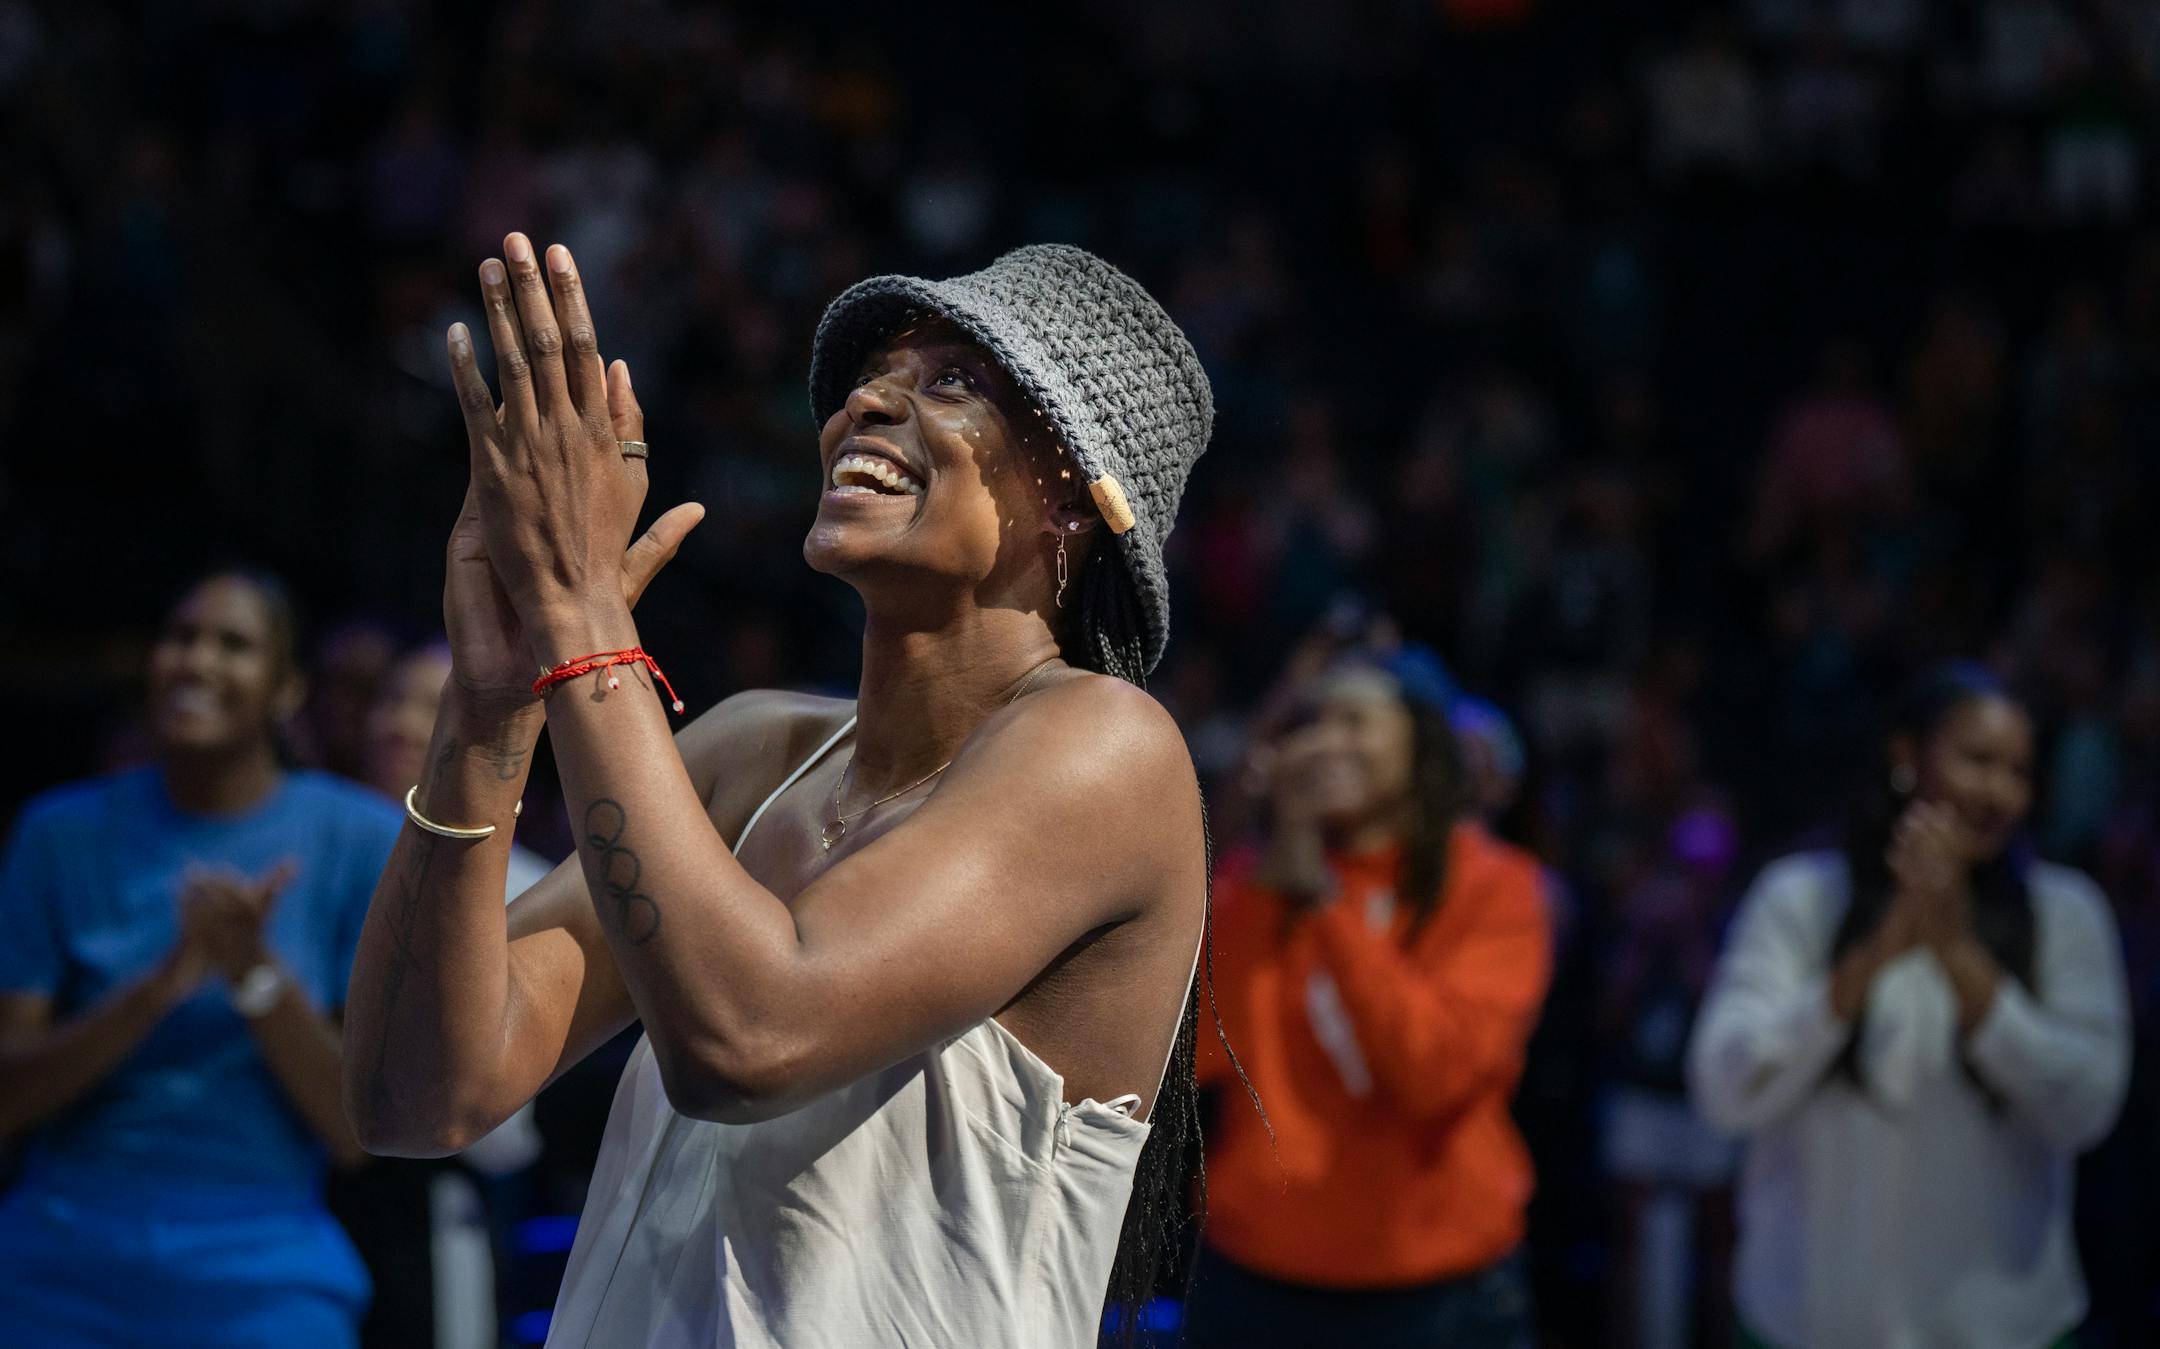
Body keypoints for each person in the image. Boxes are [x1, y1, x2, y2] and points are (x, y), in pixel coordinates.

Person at [342, 236, 1214, 1348]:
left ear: (1079, 500)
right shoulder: (753, 751)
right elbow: (414, 1096)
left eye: (954, 381)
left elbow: (748, 1037)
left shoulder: (1108, 749)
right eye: (874, 377)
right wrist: (487, 708)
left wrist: (581, 620)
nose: (872, 403)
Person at [0, 569, 405, 1348]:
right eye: (180, 637)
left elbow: (358, 1133)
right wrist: (158, 988)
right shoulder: (58, 834)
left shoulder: (354, 835)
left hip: (263, 1266)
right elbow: (8, 1096)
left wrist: (251, 971)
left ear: (287, 689)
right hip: (61, 1254)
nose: (196, 661)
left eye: (234, 644)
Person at [1688, 662, 2131, 1349]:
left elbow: (2087, 1103)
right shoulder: (1801, 896)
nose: (2000, 791)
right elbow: (1724, 1088)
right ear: (1906, 755)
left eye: (2019, 770)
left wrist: (1957, 953)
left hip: (2002, 1330)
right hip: (1806, 1322)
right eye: (1978, 760)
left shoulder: (2065, 911)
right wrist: (1872, 957)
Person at [1187, 645, 1553, 1348]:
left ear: (1423, 742)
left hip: (1437, 1289)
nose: (1327, 742)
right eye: (1314, 723)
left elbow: (1434, 1073)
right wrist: (1272, 875)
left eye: (1356, 721)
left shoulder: (1496, 888)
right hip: (1259, 1278)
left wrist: (1328, 905)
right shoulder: (1257, 882)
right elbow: (1200, 1054)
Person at [336, 638, 550, 1349]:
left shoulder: (529, 881)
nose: (398, 722)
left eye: (430, 706)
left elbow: (503, 1130)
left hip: (427, 1209)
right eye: (392, 698)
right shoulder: (313, 846)